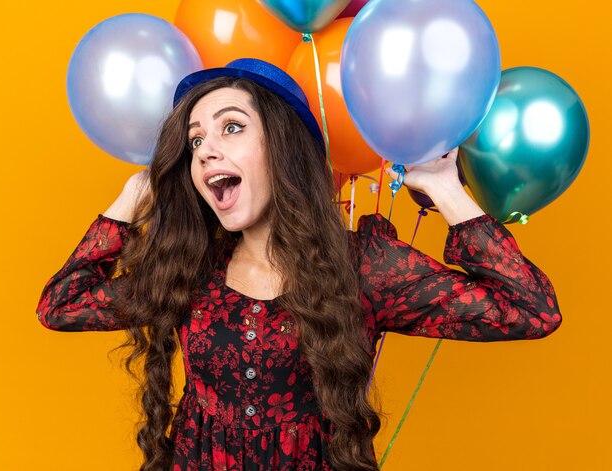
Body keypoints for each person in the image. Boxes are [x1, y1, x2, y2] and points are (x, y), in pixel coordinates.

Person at [37, 58, 562, 471]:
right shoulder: (191, 267)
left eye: (232, 128)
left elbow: (531, 309)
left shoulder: (364, 265)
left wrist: (446, 188)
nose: (204, 152)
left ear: (282, 147)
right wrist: (134, 193)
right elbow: (60, 304)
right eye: (195, 140)